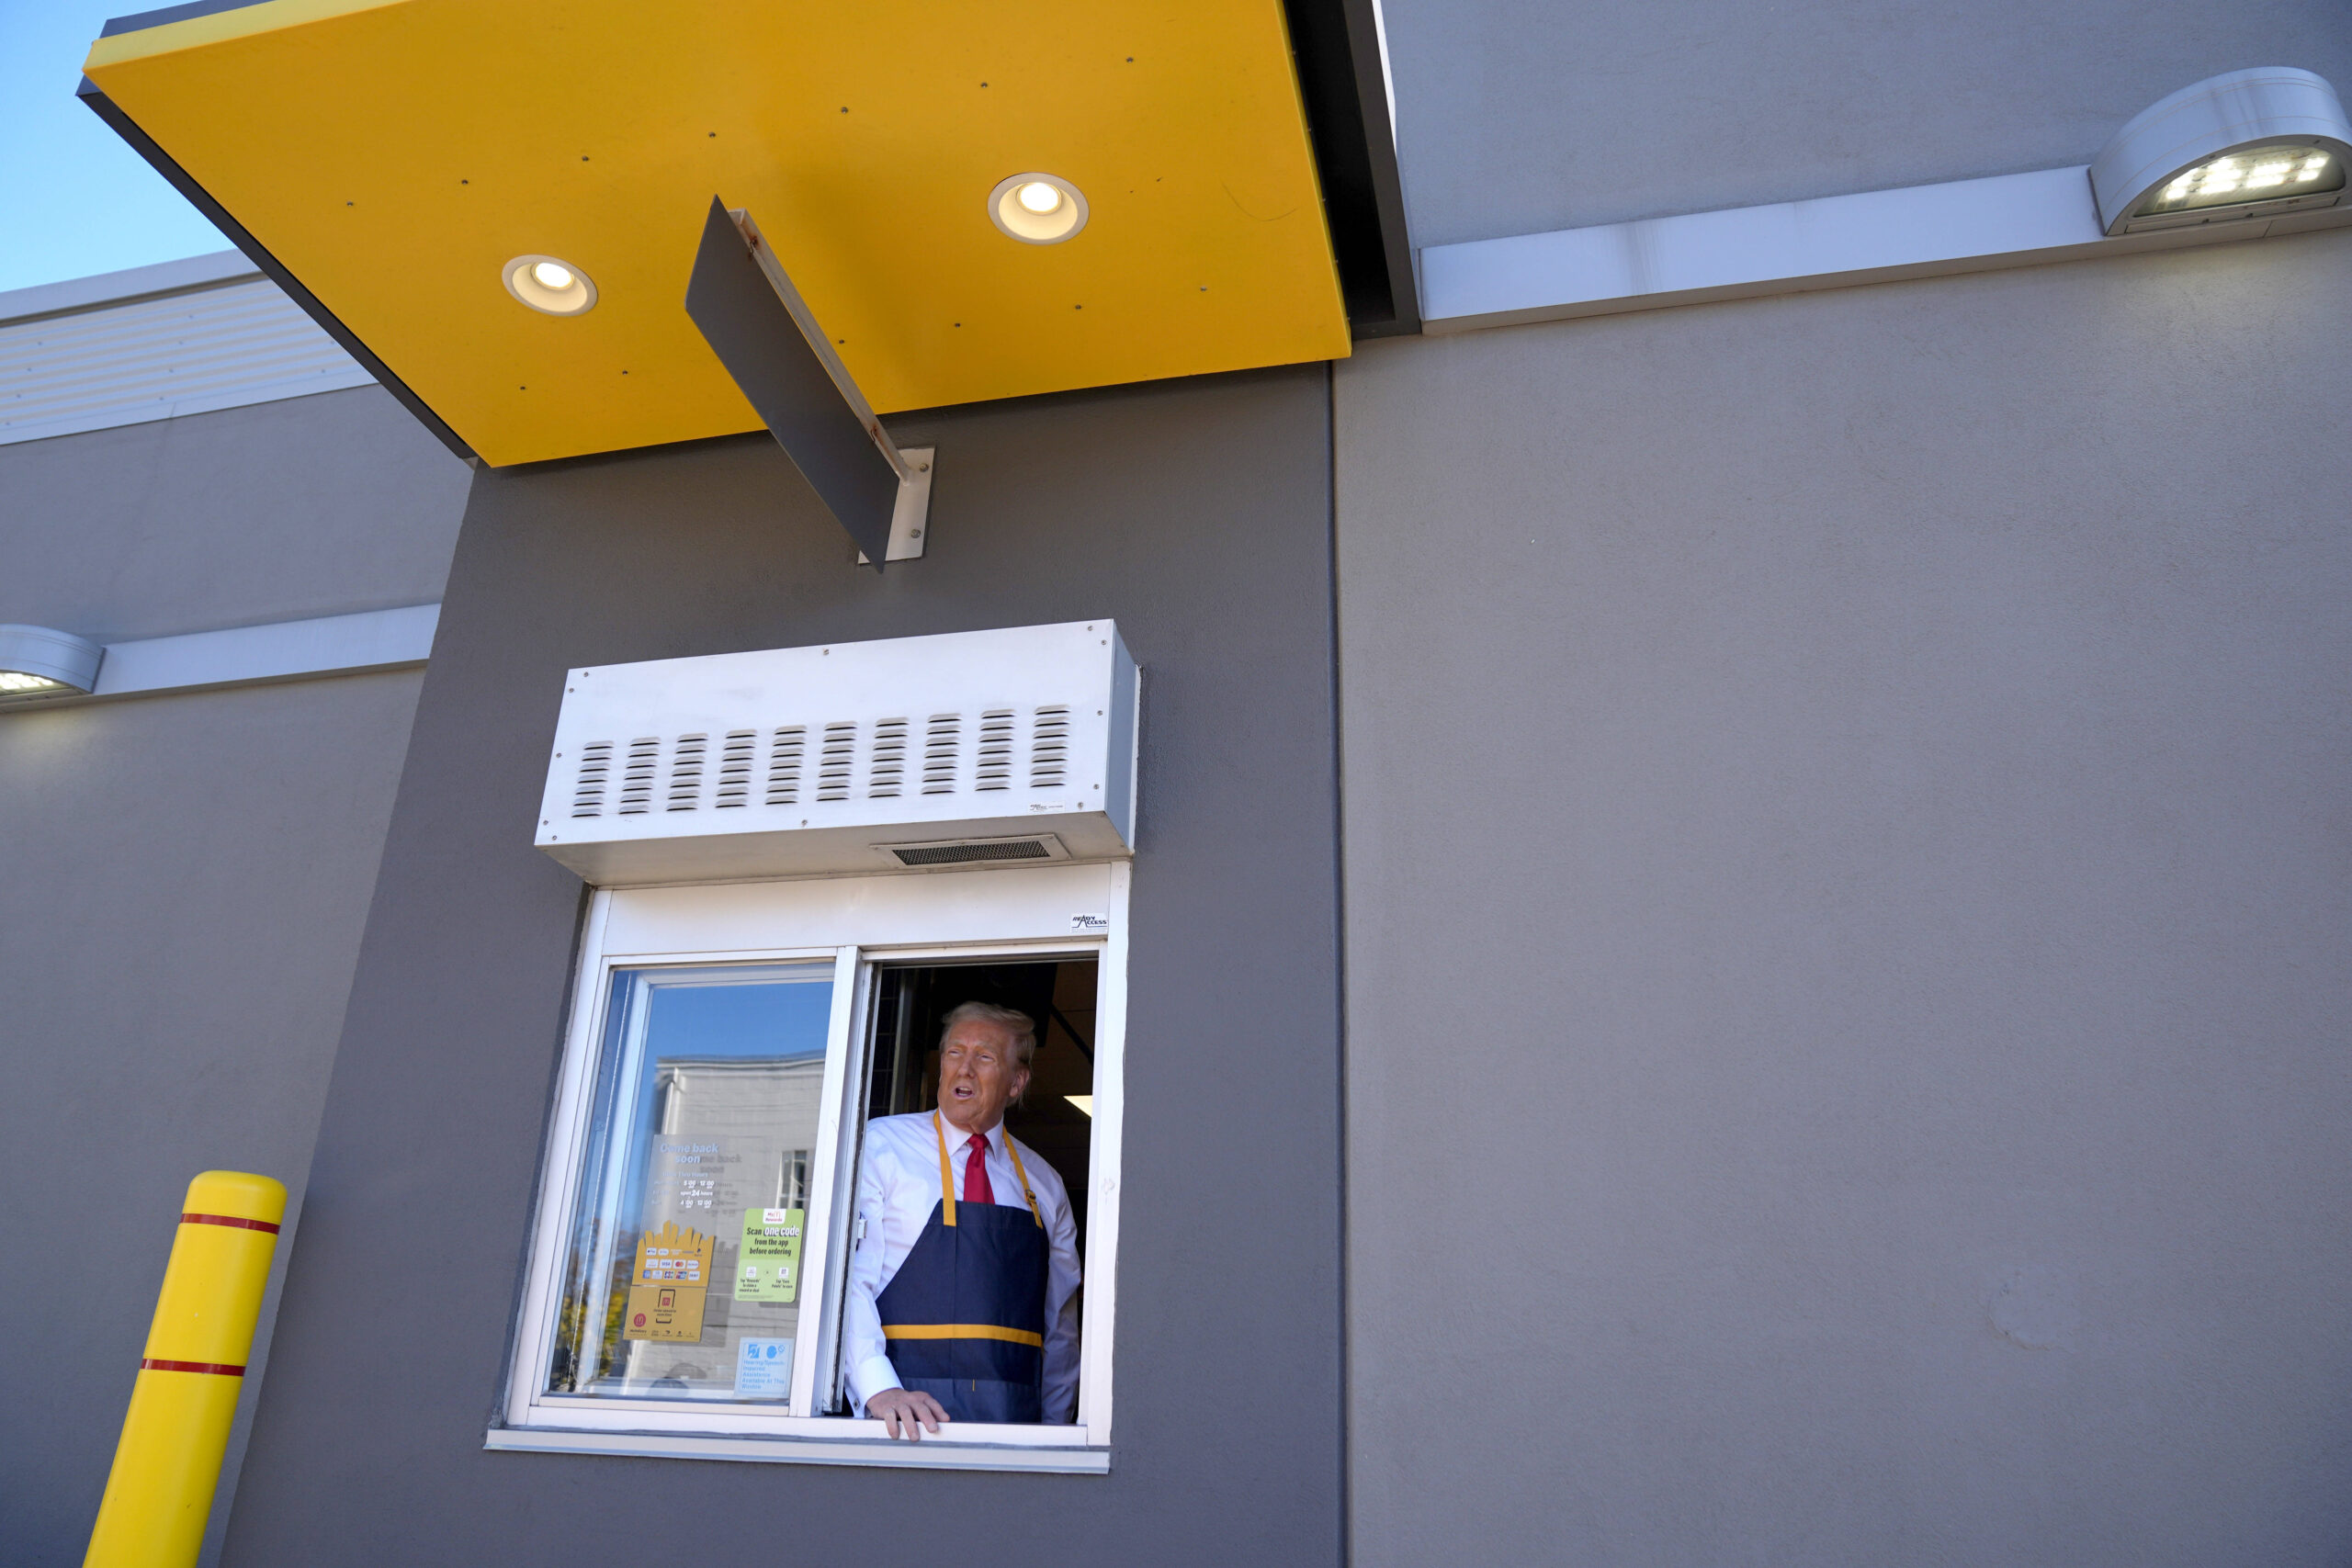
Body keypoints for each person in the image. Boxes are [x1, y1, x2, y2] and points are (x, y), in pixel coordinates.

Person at [843, 1000, 1081, 1439]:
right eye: (955, 1052)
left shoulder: (1045, 1184)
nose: (965, 1069)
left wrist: (1055, 1434)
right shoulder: (882, 1146)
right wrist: (879, 1389)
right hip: (901, 1429)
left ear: (1017, 1082)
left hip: (1014, 1435)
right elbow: (846, 1282)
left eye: (985, 1057)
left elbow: (1060, 1328)